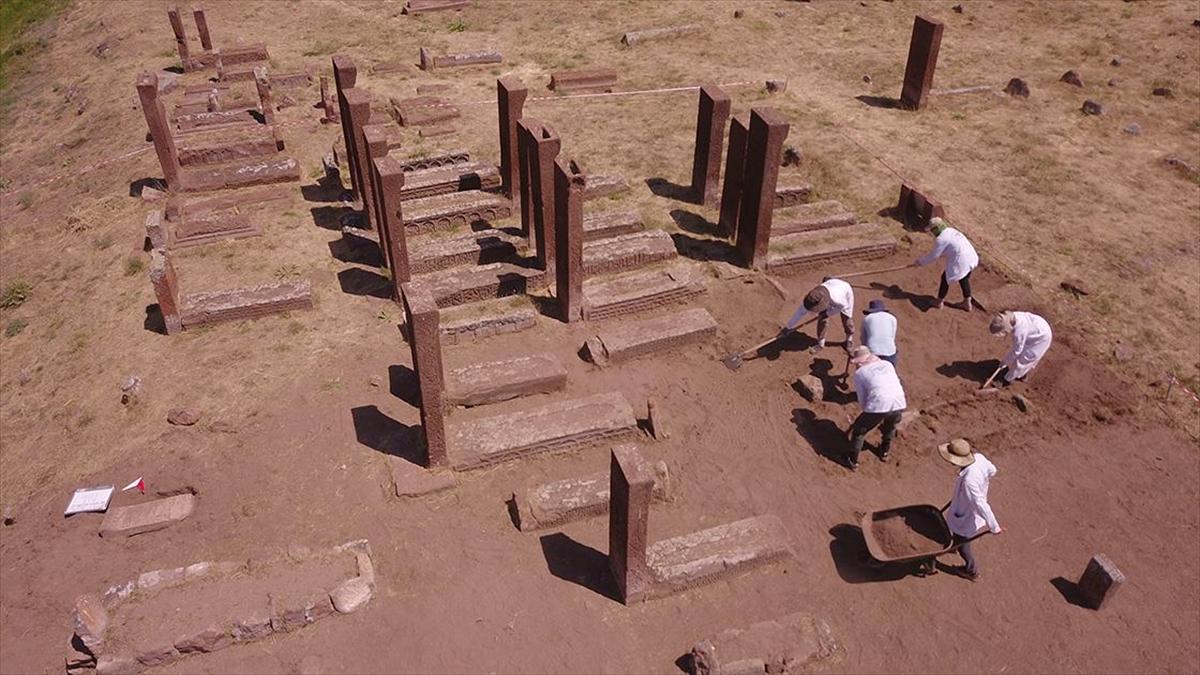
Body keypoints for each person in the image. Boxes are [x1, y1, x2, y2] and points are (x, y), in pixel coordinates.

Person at [938, 438, 1002, 581]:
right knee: (956, 531)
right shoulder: (979, 458)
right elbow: (993, 470)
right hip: (964, 502)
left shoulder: (969, 481)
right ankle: (953, 546)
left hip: (968, 512)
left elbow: (980, 504)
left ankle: (971, 570)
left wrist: (994, 526)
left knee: (964, 543)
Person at [845, 346, 906, 470]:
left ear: (860, 362)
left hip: (879, 403)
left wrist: (866, 415)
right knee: (890, 427)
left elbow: (862, 399)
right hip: (899, 401)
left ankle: (852, 460)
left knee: (859, 431)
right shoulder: (887, 364)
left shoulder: (860, 373)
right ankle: (884, 452)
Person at [913, 217, 979, 311]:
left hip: (962, 259)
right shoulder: (952, 230)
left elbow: (934, 256)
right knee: (963, 278)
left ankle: (939, 302)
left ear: (936, 228)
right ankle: (967, 302)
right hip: (971, 256)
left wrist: (920, 262)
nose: (932, 232)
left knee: (945, 278)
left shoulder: (941, 239)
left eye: (932, 230)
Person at [783, 277, 855, 353]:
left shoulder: (837, 299)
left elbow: (841, 307)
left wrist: (827, 313)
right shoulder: (812, 298)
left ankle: (849, 340)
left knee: (847, 320)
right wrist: (788, 327)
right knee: (822, 320)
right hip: (831, 285)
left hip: (845, 293)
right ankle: (821, 344)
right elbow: (799, 312)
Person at [989, 310, 1053, 384]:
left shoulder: (1019, 331)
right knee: (1023, 353)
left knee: (1024, 359)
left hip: (1042, 337)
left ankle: (1006, 380)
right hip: (1036, 330)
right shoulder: (1013, 317)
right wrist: (1005, 362)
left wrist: (1005, 362)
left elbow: (1017, 351)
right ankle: (1021, 374)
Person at [861, 299, 898, 365]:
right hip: (890, 351)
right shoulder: (892, 318)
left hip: (873, 351)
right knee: (889, 371)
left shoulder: (867, 318)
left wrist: (864, 353)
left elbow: (863, 339)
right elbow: (893, 337)